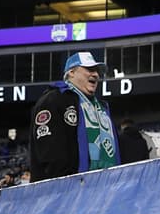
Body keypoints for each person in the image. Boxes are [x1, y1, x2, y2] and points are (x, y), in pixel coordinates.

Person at [28, 51, 121, 181]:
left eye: (97, 71)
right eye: (89, 69)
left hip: (106, 187)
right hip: (68, 191)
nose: (95, 74)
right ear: (71, 72)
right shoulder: (54, 100)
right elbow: (49, 153)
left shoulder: (102, 109)